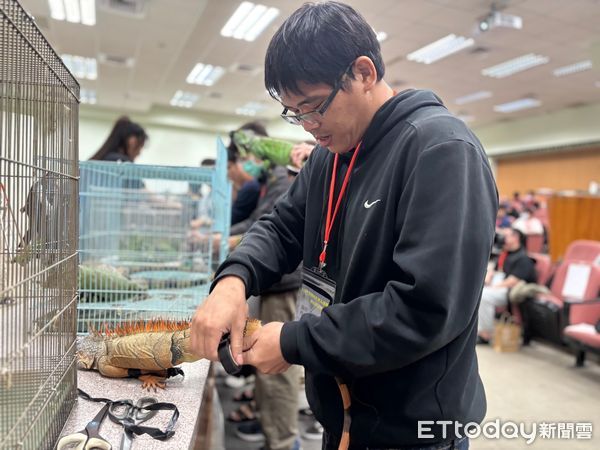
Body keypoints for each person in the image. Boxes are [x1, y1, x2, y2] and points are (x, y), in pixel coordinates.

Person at [191, 2, 497, 449]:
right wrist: (234, 280)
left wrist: (297, 341)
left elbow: (425, 309)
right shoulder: (330, 156)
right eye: (295, 114)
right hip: (343, 414)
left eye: (314, 107)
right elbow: (280, 227)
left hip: (411, 431)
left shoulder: (441, 151)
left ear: (364, 72)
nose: (310, 127)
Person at [478, 228, 536, 344]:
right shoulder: (506, 254)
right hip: (501, 286)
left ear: (516, 238)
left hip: (512, 290)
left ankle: (485, 334)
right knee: (478, 292)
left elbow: (514, 280)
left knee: (484, 295)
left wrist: (494, 287)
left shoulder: (523, 258)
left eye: (507, 236)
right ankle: (478, 330)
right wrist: (489, 276)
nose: (504, 238)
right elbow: (497, 270)